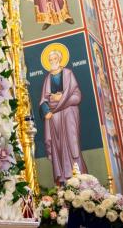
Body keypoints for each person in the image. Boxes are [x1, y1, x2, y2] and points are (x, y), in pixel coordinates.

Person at [39, 44, 86, 183]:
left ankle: (77, 177)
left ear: (59, 59)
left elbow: (77, 96)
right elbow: (43, 100)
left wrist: (61, 98)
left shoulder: (68, 74)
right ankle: (63, 180)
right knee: (58, 147)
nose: (52, 61)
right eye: (50, 59)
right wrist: (46, 111)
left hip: (68, 114)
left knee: (72, 144)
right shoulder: (48, 78)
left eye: (55, 58)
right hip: (54, 118)